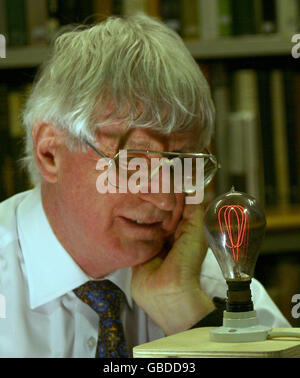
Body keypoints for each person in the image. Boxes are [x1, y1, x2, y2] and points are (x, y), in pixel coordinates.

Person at [0, 14, 289, 358]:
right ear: (50, 153)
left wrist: (187, 313)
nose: (166, 198)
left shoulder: (209, 283)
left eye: (182, 163)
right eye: (135, 160)